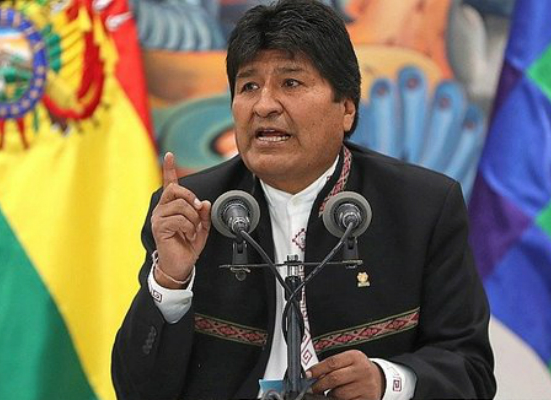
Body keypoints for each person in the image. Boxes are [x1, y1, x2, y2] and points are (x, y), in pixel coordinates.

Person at [111, 0, 495, 398]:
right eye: (249, 86)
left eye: (291, 83)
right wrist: (171, 281)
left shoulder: (422, 207)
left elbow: (471, 370)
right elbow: (135, 390)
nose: (264, 105)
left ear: (346, 109)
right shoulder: (194, 211)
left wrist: (388, 382)